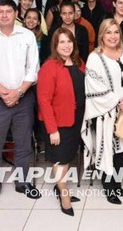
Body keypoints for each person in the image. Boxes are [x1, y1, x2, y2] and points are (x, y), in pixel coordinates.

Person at [0, 0, 42, 211]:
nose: (4, 15)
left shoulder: (27, 35)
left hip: (23, 98)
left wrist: (19, 91)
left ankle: (23, 182)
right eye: (0, 11)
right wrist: (5, 93)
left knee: (23, 144)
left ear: (15, 14)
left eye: (8, 11)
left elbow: (34, 68)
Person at [83, 19, 123, 205]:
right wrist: (117, 100)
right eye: (108, 32)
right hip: (106, 112)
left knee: (122, 148)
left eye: (116, 32)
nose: (113, 36)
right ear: (101, 35)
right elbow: (94, 86)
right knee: (108, 148)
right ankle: (109, 188)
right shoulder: (95, 57)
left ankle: (117, 184)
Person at [37, 27, 84, 216]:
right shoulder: (49, 66)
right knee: (60, 159)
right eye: (62, 42)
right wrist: (52, 130)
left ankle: (60, 185)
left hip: (76, 119)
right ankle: (64, 195)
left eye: (69, 41)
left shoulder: (79, 63)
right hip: (58, 123)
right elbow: (44, 101)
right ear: (55, 45)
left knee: (68, 156)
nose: (66, 45)